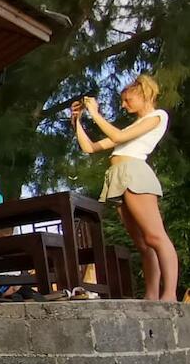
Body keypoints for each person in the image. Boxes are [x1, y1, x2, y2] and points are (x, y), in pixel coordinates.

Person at [72, 74, 178, 301]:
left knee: (155, 237)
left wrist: (96, 113)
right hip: (118, 177)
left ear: (143, 94)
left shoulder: (158, 116)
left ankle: (169, 294)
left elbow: (117, 135)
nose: (123, 105)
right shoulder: (136, 125)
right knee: (142, 243)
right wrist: (77, 122)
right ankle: (152, 295)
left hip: (134, 173)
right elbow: (90, 148)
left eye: (127, 99)